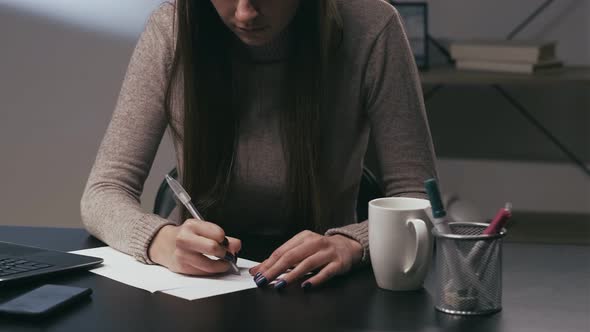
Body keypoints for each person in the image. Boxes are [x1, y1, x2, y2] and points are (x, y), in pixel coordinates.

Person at [81, 0, 437, 290]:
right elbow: (103, 192)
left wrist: (352, 243)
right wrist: (161, 241)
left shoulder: (373, 27)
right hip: (198, 288)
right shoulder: (171, 29)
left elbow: (421, 200)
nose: (245, 13)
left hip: (322, 287)